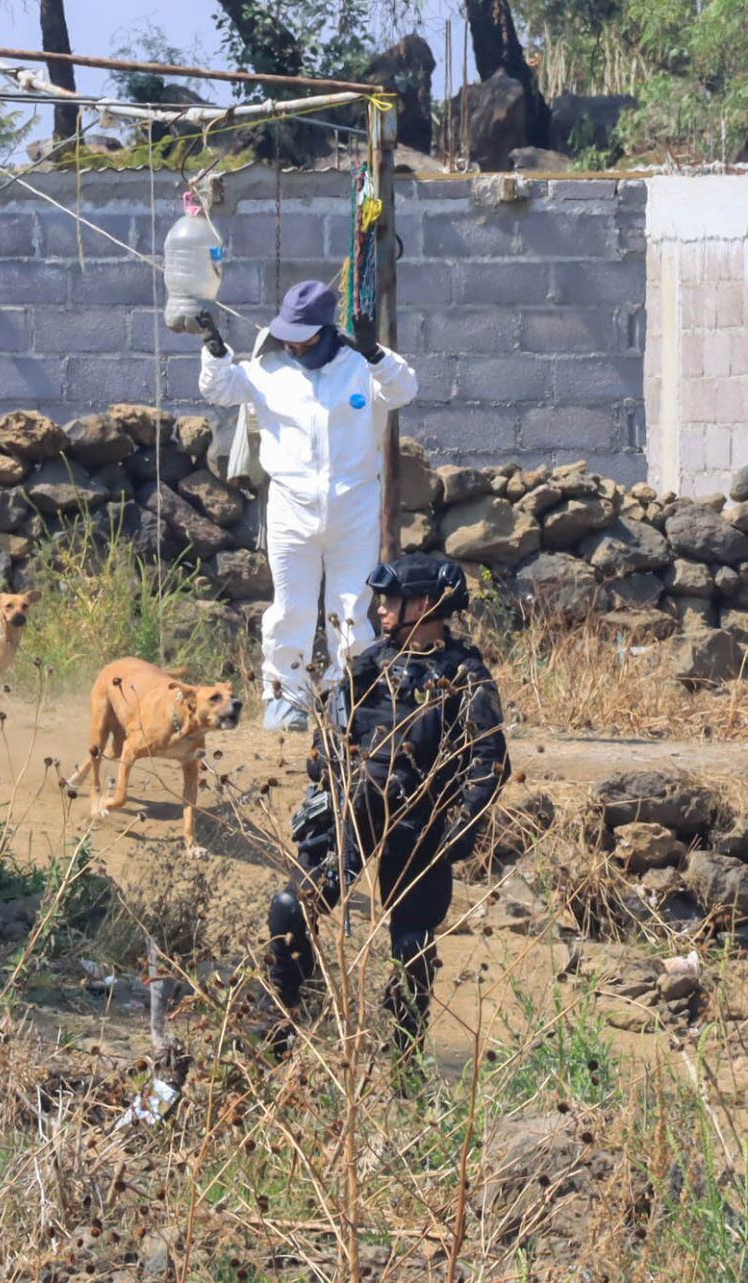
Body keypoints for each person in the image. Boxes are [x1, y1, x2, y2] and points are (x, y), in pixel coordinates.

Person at [258, 553, 509, 1064]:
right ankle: (278, 1030)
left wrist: (459, 829)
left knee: (413, 945)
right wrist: (332, 775)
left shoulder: (465, 676)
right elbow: (328, 736)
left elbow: (490, 761)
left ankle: (404, 1061)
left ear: (424, 604)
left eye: (391, 600)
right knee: (291, 910)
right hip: (353, 815)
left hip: (419, 825)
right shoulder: (369, 665)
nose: (382, 610)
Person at [196, 281, 419, 731]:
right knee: (291, 606)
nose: (295, 346)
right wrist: (215, 352)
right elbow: (221, 390)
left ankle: (349, 699)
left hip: (353, 504)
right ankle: (285, 698)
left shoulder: (360, 367)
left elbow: (404, 390)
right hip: (290, 505)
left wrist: (377, 355)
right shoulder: (269, 368)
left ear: (326, 331)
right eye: (289, 336)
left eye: (305, 337)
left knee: (352, 607)